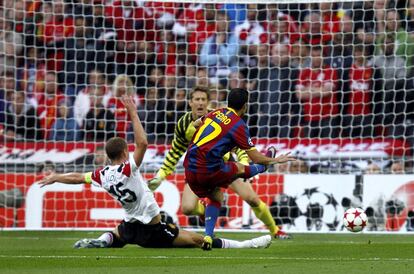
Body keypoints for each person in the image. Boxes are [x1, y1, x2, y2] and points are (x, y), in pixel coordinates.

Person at [37, 95, 272, 250]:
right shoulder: (129, 168)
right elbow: (143, 143)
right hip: (153, 230)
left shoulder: (103, 174)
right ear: (124, 152)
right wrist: (133, 113)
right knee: (198, 240)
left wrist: (57, 176)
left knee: (117, 234)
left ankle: (101, 240)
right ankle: (247, 244)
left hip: (129, 227)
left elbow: (78, 177)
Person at [148, 86, 292, 241]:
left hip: (225, 165)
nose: (200, 103)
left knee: (251, 198)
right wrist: (161, 175)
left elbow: (238, 147)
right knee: (188, 208)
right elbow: (175, 151)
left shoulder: (217, 115)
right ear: (190, 103)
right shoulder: (183, 124)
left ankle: (275, 230)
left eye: (204, 99)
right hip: (200, 168)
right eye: (197, 99)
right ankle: (206, 214)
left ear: (209, 102)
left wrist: (243, 162)